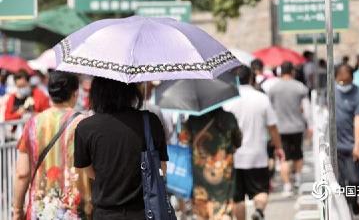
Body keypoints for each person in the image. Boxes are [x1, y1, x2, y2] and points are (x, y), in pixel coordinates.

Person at [74, 77, 169, 220]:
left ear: (96, 92)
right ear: (130, 91)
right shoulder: (150, 121)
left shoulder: (85, 128)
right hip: (146, 212)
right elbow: (162, 168)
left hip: (105, 214)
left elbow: (89, 172)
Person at [13, 71, 92, 220]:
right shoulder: (84, 124)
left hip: (40, 211)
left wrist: (17, 210)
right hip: (76, 211)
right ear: (75, 93)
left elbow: (22, 173)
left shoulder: (32, 124)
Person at [224, 66, 284, 220]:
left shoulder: (228, 100)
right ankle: (258, 211)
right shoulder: (261, 98)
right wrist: (279, 147)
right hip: (257, 155)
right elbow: (273, 127)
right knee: (261, 191)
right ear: (251, 78)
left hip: (234, 157)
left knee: (237, 198)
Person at [183, 107, 241, 220]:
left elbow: (184, 139)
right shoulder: (229, 118)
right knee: (224, 209)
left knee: (202, 212)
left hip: (200, 174)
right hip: (224, 173)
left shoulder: (192, 119)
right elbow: (238, 141)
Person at [268, 61, 310, 196]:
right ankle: (297, 178)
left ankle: (287, 185)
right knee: (298, 153)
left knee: (284, 157)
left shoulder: (274, 88)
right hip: (297, 126)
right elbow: (306, 108)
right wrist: (309, 125)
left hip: (280, 128)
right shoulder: (300, 87)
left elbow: (270, 108)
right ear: (292, 71)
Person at [335, 63, 359, 215]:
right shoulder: (332, 91)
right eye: (341, 82)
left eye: (346, 81)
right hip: (335, 144)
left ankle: (353, 200)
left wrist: (357, 144)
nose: (343, 85)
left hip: (351, 143)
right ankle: (345, 209)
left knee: (354, 180)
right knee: (340, 181)